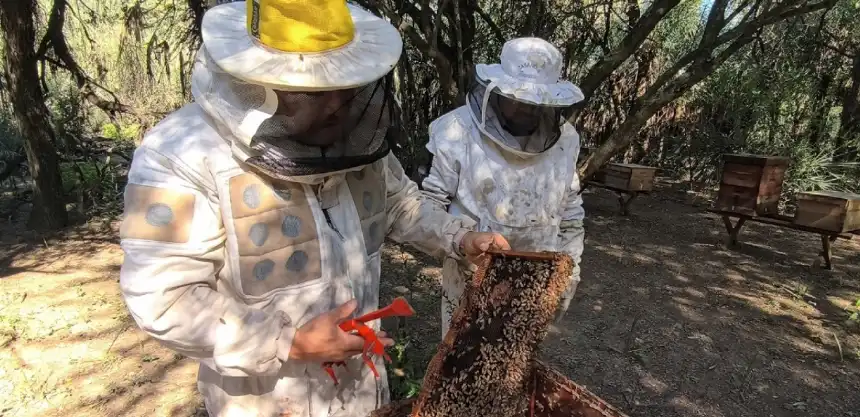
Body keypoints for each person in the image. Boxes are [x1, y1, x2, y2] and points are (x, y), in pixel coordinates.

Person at [117, 1, 509, 416]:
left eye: (347, 86)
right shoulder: (179, 153)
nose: (337, 105)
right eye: (315, 92)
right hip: (265, 399)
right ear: (260, 87)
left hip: (361, 389)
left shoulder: (356, 140)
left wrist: (459, 238)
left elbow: (399, 205)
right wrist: (286, 342)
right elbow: (164, 298)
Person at [421, 37, 586, 336]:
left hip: (535, 281)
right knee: (463, 354)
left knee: (515, 356)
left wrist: (568, 275)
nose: (528, 108)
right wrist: (460, 240)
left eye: (537, 102)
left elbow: (571, 215)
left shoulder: (566, 140)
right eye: (519, 99)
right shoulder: (455, 131)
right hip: (470, 274)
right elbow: (430, 205)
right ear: (496, 90)